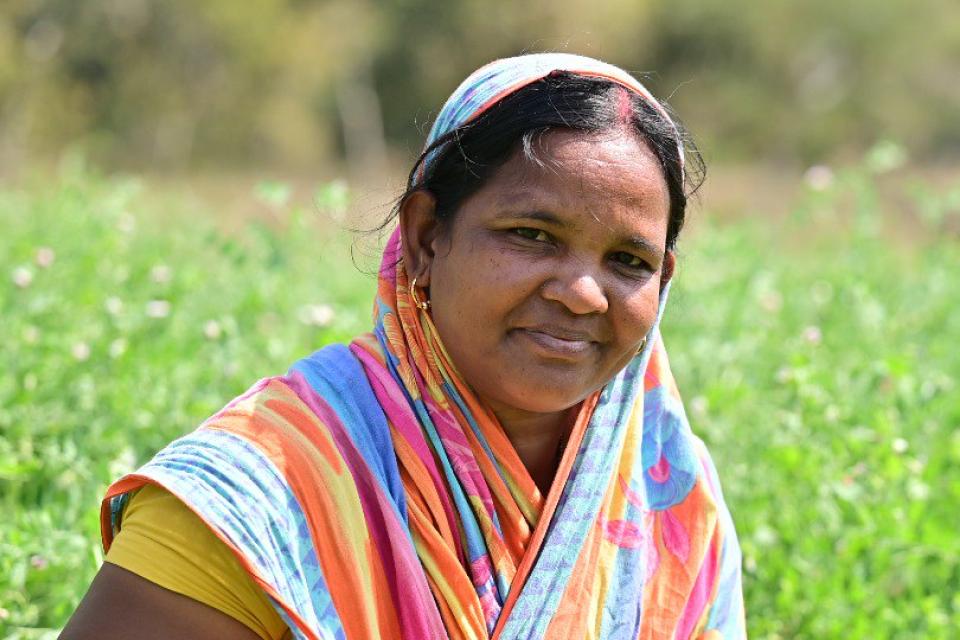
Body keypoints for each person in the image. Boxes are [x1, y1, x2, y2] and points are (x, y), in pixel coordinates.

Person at [62, 53, 745, 640]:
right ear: (425, 237)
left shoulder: (671, 494)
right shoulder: (261, 490)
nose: (583, 293)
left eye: (628, 261)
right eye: (531, 235)